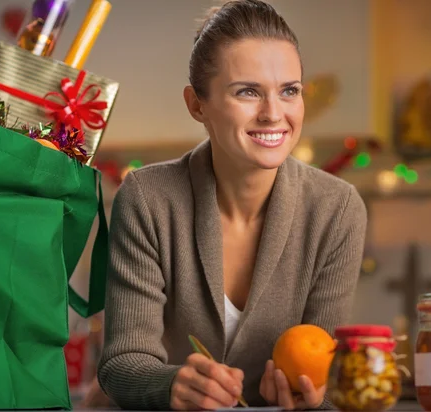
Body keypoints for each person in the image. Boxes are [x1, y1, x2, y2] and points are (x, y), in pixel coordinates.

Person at [97, 0, 367, 410]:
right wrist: (173, 385)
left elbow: (330, 375)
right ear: (197, 105)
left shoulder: (338, 209)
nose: (274, 114)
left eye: (289, 91)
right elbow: (121, 363)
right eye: (247, 92)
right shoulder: (147, 198)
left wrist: (315, 399)